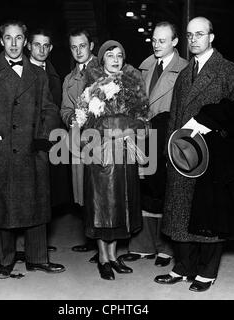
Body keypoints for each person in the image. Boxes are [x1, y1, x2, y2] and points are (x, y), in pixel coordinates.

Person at [155, 16, 234, 291]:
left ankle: (207, 271)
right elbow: (175, 116)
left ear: (211, 37)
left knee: (210, 215)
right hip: (182, 154)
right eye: (190, 35)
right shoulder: (185, 73)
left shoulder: (227, 70)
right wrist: (169, 148)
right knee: (180, 214)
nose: (193, 40)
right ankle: (183, 266)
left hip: (213, 157)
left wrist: (209, 120)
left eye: (199, 34)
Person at [0, 20, 65, 279]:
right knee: (4, 208)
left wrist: (43, 139)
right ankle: (7, 261)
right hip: (2, 150)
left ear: (25, 41)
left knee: (38, 205)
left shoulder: (39, 74)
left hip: (33, 149)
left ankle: (37, 258)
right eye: (8, 38)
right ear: (1, 42)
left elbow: (50, 109)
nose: (13, 44)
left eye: (18, 38)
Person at [119, 21, 188, 267]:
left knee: (166, 190)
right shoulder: (144, 66)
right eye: (154, 40)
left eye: (162, 40)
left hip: (167, 137)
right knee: (143, 188)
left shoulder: (185, 70)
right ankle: (143, 246)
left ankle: (166, 248)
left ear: (175, 42)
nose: (156, 45)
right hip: (142, 136)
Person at [79, 40, 149, 280]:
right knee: (102, 205)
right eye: (110, 55)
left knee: (120, 204)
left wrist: (131, 128)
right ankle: (102, 257)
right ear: (102, 59)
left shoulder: (133, 84)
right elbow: (84, 123)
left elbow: (143, 118)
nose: (116, 59)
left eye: (120, 55)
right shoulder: (90, 86)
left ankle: (112, 255)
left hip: (125, 153)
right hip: (100, 152)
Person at [14, 28, 72, 262]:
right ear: (29, 46)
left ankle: (35, 245)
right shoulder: (19, 71)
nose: (41, 49)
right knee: (22, 194)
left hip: (49, 140)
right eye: (37, 45)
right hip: (25, 142)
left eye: (46, 45)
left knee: (43, 193)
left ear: (50, 48)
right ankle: (21, 246)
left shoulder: (52, 72)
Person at [61, 28, 100, 258]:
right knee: (84, 191)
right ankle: (91, 238)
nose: (78, 51)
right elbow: (64, 108)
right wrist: (70, 117)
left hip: (100, 139)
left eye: (82, 46)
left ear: (91, 46)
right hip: (78, 139)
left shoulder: (105, 70)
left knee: (102, 189)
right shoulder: (69, 79)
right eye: (74, 47)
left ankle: (103, 242)